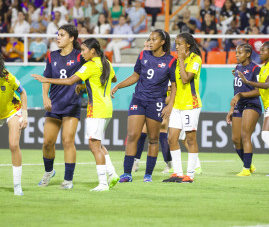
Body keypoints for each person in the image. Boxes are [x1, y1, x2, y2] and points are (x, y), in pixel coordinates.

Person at [32, 38, 119, 191]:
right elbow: (113, 78)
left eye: (84, 50)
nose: (82, 53)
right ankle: (112, 174)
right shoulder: (107, 63)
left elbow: (69, 81)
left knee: (94, 146)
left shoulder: (90, 66)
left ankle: (103, 183)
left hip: (96, 109)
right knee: (98, 144)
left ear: (92, 51)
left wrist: (46, 79)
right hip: (107, 108)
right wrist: (84, 85)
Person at [111, 29, 177, 182]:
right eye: (149, 39)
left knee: (153, 139)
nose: (150, 42)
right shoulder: (143, 55)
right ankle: (127, 173)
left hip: (156, 102)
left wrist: (170, 105)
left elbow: (174, 85)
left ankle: (148, 174)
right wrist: (119, 85)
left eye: (154, 39)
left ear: (162, 42)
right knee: (133, 135)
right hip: (138, 99)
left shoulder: (171, 61)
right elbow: (136, 76)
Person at [33, 24, 84, 190]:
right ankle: (49, 171)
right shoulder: (52, 55)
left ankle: (68, 180)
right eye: (57, 34)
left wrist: (82, 87)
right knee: (48, 142)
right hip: (54, 105)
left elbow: (90, 75)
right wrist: (45, 96)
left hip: (71, 104)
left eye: (62, 35)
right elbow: (46, 78)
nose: (58, 37)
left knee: (68, 141)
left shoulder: (80, 56)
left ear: (72, 38)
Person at [232, 41, 269, 177]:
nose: (260, 52)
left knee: (265, 135)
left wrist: (247, 82)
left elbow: (265, 85)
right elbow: (258, 82)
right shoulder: (265, 67)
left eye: (264, 50)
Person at [163, 33, 202, 183]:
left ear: (188, 45)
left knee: (190, 139)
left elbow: (186, 80)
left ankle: (190, 175)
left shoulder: (195, 59)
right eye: (176, 43)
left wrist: (180, 59)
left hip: (190, 105)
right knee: (171, 138)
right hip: (177, 106)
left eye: (180, 44)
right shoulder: (175, 62)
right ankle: (178, 173)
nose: (177, 46)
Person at [226, 44, 262, 176]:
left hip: (252, 104)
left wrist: (240, 96)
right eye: (236, 52)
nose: (236, 55)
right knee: (235, 139)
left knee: (245, 135)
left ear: (248, 54)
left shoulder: (255, 69)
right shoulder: (237, 68)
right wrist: (231, 109)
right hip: (239, 106)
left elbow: (258, 91)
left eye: (240, 53)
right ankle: (249, 164)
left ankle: (246, 169)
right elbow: (237, 91)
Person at [0, 53, 28, 195]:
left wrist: (25, 114)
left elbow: (22, 93)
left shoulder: (8, 76)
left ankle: (17, 185)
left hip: (12, 110)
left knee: (13, 145)